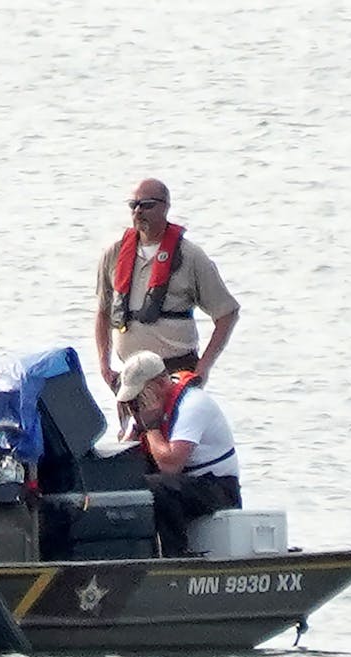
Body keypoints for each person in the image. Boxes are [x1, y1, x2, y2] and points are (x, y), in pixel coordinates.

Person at [94, 178, 241, 396]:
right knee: (136, 432)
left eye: (147, 205)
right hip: (131, 376)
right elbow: (104, 312)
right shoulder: (114, 255)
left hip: (176, 373)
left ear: (165, 207)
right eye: (133, 205)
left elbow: (227, 313)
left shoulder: (190, 256)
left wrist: (203, 368)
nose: (138, 212)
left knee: (173, 430)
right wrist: (105, 367)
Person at [117, 350, 242, 556]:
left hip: (218, 487)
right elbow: (125, 454)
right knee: (128, 481)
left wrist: (152, 427)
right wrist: (135, 426)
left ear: (156, 385)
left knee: (157, 486)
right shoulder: (148, 409)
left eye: (138, 396)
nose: (135, 403)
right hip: (184, 484)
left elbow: (170, 465)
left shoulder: (193, 404)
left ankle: (176, 554)